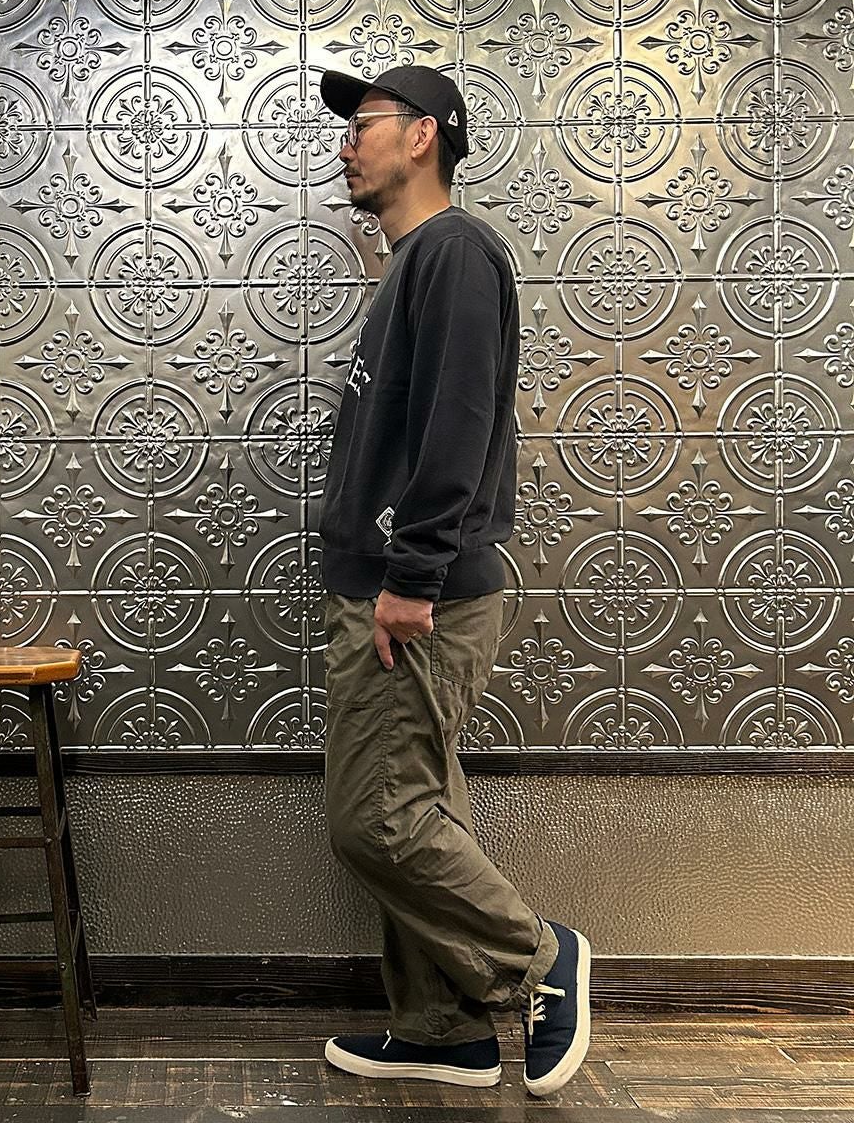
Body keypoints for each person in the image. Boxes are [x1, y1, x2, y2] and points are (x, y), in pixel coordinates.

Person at [316, 64, 591, 1098]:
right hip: (393, 582)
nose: (347, 143)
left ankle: (539, 961)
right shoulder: (415, 261)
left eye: (365, 123)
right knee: (418, 803)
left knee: (374, 819)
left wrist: (413, 574)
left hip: (414, 593)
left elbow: (461, 423)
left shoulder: (456, 252)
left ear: (424, 135)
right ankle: (443, 1031)